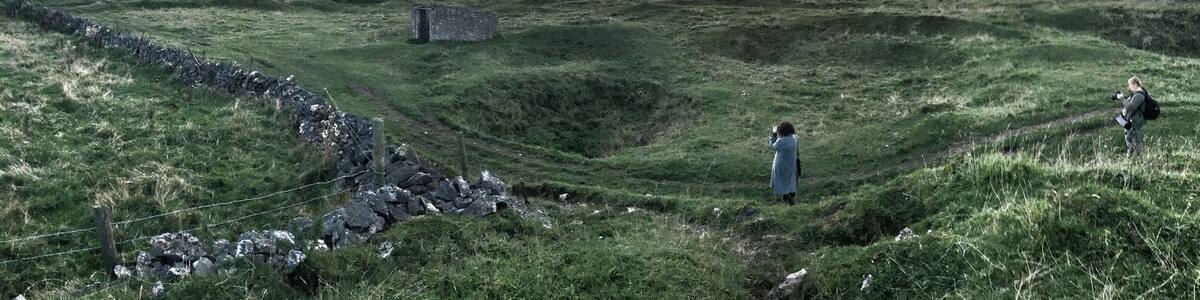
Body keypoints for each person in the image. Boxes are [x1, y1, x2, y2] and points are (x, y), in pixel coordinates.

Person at [1116, 76, 1148, 157]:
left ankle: (1137, 158)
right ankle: (1133, 158)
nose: (1129, 87)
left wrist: (1122, 99)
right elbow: (1133, 104)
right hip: (1136, 119)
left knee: (1132, 139)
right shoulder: (1140, 93)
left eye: (1130, 85)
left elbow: (1130, 108)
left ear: (1135, 84)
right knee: (1131, 139)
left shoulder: (1139, 95)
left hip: (1135, 121)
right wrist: (1125, 97)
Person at [769, 122, 798, 206]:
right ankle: (791, 195)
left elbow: (772, 146)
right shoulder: (794, 138)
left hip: (780, 163)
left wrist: (774, 134)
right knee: (790, 179)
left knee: (781, 180)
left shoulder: (781, 141)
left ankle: (786, 196)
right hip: (791, 163)